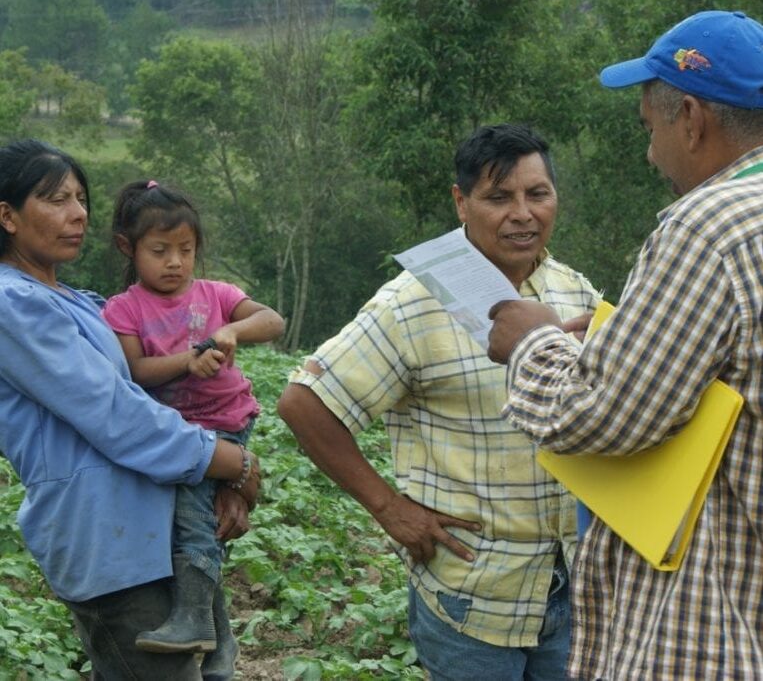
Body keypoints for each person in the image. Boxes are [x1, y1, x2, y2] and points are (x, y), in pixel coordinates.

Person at [487, 10, 763, 679]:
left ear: (691, 118)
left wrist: (534, 343)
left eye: (650, 128)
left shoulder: (710, 225)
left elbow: (603, 414)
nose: (649, 152)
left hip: (709, 620)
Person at [278, 123, 601, 680]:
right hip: (471, 597)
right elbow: (304, 403)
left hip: (571, 589)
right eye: (499, 197)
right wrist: (389, 508)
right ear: (461, 202)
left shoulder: (574, 291)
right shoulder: (414, 303)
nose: (522, 214)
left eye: (537, 194)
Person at [0, 139, 260, 681]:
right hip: (107, 543)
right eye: (55, 199)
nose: (77, 213)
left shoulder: (76, 300)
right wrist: (227, 460)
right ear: (8, 216)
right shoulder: (12, 303)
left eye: (79, 197)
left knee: (208, 668)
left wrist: (222, 483)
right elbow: (115, 412)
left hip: (154, 527)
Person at [102, 180, 284, 656]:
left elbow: (272, 320)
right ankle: (215, 644)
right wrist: (187, 360)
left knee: (191, 519)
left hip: (224, 424)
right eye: (160, 251)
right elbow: (137, 371)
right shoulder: (124, 309)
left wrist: (232, 330)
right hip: (177, 433)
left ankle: (194, 620)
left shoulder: (215, 294)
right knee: (198, 521)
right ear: (129, 247)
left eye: (186, 249)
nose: (175, 262)